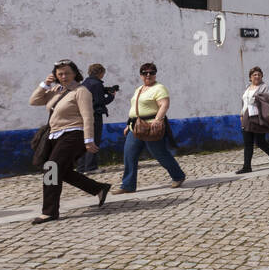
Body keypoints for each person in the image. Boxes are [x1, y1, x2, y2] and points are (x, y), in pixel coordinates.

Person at [29, 58, 110, 224]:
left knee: (51, 168)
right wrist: (45, 84)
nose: (64, 76)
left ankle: (49, 212)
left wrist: (89, 140)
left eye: (67, 73)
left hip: (74, 134)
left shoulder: (81, 91)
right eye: (60, 74)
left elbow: (88, 116)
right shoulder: (57, 90)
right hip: (54, 135)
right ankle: (98, 188)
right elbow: (34, 101)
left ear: (75, 74)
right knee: (60, 170)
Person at [119, 62, 186, 192]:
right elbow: (135, 108)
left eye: (152, 72)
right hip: (136, 127)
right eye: (145, 73)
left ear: (155, 74)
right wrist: (129, 125)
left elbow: (164, 105)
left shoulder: (159, 88)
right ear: (141, 75)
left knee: (160, 154)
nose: (148, 75)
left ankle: (178, 176)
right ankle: (128, 186)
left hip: (151, 127)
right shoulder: (139, 89)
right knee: (129, 154)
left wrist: (158, 120)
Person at [76, 63, 116, 173]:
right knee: (94, 140)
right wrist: (111, 96)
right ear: (100, 73)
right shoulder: (97, 84)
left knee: (85, 141)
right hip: (95, 115)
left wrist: (105, 90)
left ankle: (81, 167)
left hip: (83, 115)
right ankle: (91, 167)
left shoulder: (84, 83)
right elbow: (99, 101)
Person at [239, 66, 269, 172]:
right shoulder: (247, 88)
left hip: (258, 118)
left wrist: (260, 97)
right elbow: (244, 102)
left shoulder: (264, 87)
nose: (257, 76)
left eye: (259, 74)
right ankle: (247, 167)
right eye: (254, 75)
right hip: (246, 117)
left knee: (260, 141)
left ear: (261, 76)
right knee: (248, 143)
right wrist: (241, 115)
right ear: (250, 77)